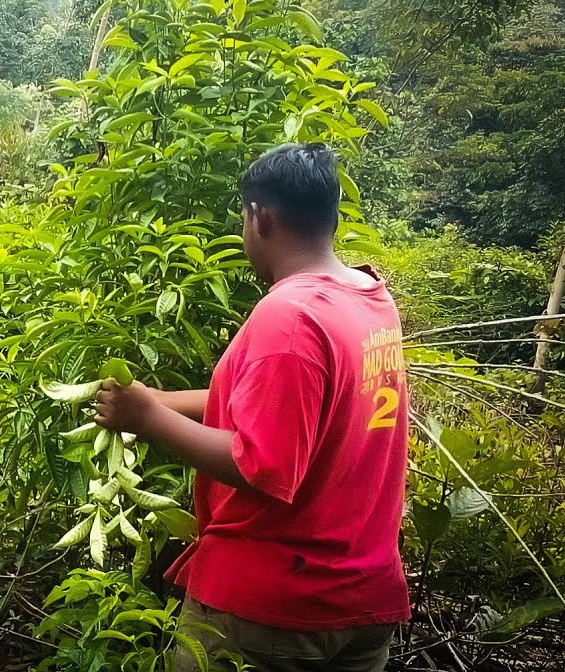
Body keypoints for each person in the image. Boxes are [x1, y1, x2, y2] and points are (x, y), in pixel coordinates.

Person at [93, 143, 410, 672]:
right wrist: (159, 400)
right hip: (362, 599)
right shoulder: (368, 297)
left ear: (258, 217)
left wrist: (148, 420)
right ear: (331, 215)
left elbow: (261, 465)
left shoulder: (288, 316)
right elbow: (292, 412)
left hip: (271, 611)